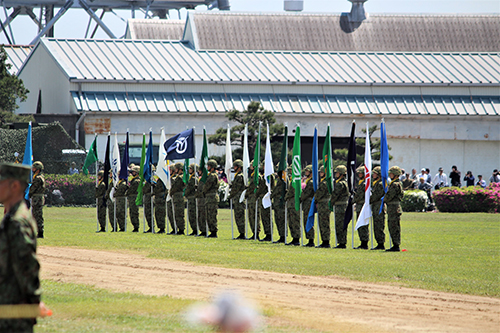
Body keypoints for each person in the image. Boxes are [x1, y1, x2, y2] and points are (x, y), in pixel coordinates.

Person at [0, 163, 47, 332]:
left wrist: (33, 301)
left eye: (1, 182)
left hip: (15, 308)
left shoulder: (17, 222)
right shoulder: (12, 217)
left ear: (14, 186)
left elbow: (27, 265)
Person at [385, 166, 404, 252]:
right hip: (393, 208)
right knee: (393, 227)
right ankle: (395, 244)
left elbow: (389, 196)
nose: (390, 175)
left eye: (392, 173)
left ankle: (396, 245)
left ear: (396, 174)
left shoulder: (395, 184)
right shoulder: (397, 183)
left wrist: (383, 199)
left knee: (394, 227)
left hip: (394, 209)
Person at [330, 165, 349, 249]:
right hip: (342, 206)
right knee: (340, 225)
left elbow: (335, 195)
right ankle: (341, 242)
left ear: (341, 174)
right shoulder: (344, 182)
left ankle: (342, 243)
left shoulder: (340, 184)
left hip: (340, 207)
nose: (336, 174)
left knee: (340, 225)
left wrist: (331, 202)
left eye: (337, 172)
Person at [228, 160, 246, 240]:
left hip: (239, 199)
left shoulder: (239, 176)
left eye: (235, 166)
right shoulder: (237, 176)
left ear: (239, 167)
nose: (234, 168)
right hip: (237, 199)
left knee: (240, 216)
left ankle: (242, 233)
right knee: (238, 217)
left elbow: (236, 188)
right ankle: (241, 233)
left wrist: (230, 195)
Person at [314, 166, 331, 248]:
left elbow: (319, 194)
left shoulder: (324, 183)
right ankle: (324, 241)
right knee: (322, 224)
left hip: (324, 206)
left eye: (322, 172)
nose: (320, 173)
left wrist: (315, 198)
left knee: (324, 224)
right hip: (322, 206)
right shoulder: (323, 182)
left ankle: (326, 241)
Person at [202, 159, 220, 238]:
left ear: (212, 167)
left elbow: (207, 186)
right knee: (209, 215)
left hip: (211, 198)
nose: (207, 167)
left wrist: (203, 191)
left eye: (209, 166)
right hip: (210, 198)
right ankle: (212, 231)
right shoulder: (212, 175)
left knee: (211, 215)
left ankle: (213, 232)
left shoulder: (212, 176)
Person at [369, 166, 386, 250]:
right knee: (376, 225)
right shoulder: (375, 183)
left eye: (375, 173)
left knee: (379, 225)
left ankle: (381, 243)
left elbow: (376, 196)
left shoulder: (380, 184)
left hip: (379, 207)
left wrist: (367, 200)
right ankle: (379, 243)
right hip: (375, 207)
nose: (373, 175)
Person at [353, 166, 368, 249]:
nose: (359, 174)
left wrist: (353, 200)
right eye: (359, 173)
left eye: (361, 173)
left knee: (363, 225)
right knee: (360, 225)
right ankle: (362, 242)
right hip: (359, 206)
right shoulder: (360, 183)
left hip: (363, 206)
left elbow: (360, 196)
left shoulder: (364, 184)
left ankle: (364, 243)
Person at [284, 167, 300, 246]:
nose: (290, 171)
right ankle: (294, 238)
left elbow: (292, 192)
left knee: (295, 221)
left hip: (294, 203)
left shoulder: (296, 180)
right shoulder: (292, 180)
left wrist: (286, 196)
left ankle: (296, 239)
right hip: (291, 204)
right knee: (291, 222)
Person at [29, 161, 45, 238]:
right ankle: (39, 232)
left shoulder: (38, 178)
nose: (33, 169)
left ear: (38, 169)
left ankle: (40, 232)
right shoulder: (40, 177)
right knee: (37, 215)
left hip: (37, 199)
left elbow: (33, 189)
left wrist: (28, 193)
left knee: (37, 215)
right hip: (38, 198)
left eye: (34, 168)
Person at [300, 165, 315, 247]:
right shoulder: (307, 181)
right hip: (306, 203)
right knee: (305, 221)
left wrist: (299, 198)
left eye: (307, 171)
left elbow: (307, 193)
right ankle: (309, 239)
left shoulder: (311, 182)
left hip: (309, 203)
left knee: (308, 220)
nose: (306, 173)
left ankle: (311, 240)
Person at [257, 166, 273, 242]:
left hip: (266, 198)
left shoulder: (269, 176)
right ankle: (267, 234)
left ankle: (269, 234)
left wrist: (257, 193)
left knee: (267, 217)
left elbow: (263, 187)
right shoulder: (265, 175)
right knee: (264, 217)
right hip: (263, 198)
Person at [271, 165, 286, 243]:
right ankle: (281, 236)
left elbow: (277, 191)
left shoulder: (283, 181)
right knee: (278, 220)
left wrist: (271, 195)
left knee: (281, 220)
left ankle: (283, 236)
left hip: (280, 204)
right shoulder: (280, 180)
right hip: (277, 204)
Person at [245, 163, 261, 240]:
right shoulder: (252, 176)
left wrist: (246, 193)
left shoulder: (257, 176)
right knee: (251, 217)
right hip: (251, 199)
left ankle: (256, 233)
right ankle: (254, 233)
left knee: (255, 216)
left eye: (252, 165)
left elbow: (252, 187)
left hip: (255, 199)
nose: (250, 166)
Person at [170, 162, 186, 235]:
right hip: (177, 197)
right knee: (177, 214)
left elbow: (175, 187)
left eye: (176, 168)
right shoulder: (178, 177)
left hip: (178, 197)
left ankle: (181, 229)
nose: (175, 170)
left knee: (179, 214)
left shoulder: (180, 177)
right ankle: (179, 228)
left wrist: (170, 193)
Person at [185, 163, 198, 236]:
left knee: (193, 214)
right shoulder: (191, 178)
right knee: (191, 215)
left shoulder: (193, 179)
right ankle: (194, 229)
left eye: (190, 168)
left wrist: (185, 193)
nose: (189, 170)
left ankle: (195, 229)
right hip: (190, 198)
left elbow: (189, 188)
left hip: (192, 198)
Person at [126, 165, 140, 232]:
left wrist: (127, 191)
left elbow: (131, 190)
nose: (132, 173)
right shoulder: (133, 180)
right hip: (132, 198)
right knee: (132, 213)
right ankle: (135, 226)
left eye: (134, 172)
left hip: (134, 198)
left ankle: (136, 226)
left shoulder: (136, 181)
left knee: (134, 212)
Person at [195, 168, 207, 236]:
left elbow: (202, 190)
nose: (198, 171)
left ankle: (204, 230)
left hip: (202, 200)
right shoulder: (200, 179)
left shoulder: (203, 180)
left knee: (203, 215)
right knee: (200, 216)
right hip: (200, 200)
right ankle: (202, 230)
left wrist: (196, 193)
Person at [143, 166, 154, 233]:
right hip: (146, 200)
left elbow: (145, 190)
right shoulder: (147, 181)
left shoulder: (152, 181)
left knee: (150, 213)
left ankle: (152, 227)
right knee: (147, 213)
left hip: (150, 200)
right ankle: (150, 227)